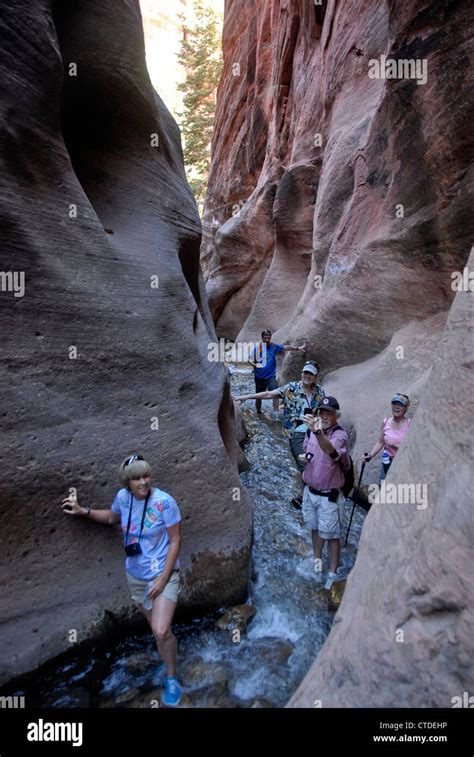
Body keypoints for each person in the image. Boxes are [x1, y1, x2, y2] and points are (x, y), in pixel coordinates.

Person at [61, 454, 183, 707]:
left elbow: (175, 541)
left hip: (163, 574)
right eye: (137, 478)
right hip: (136, 575)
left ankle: (172, 677)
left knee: (161, 629)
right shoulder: (123, 499)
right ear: (127, 482)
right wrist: (84, 511)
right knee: (156, 631)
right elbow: (112, 518)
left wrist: (162, 579)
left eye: (146, 475)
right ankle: (167, 661)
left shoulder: (164, 502)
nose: (143, 481)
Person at [235, 362, 325, 507]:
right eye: (305, 373)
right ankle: (307, 498)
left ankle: (307, 496)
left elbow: (322, 412)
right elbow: (270, 394)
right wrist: (247, 396)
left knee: (313, 462)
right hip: (296, 433)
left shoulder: (320, 392)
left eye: (311, 374)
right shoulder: (291, 388)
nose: (307, 376)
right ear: (302, 373)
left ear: (315, 377)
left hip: (314, 432)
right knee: (303, 464)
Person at [299, 396, 350, 589]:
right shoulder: (311, 432)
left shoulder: (339, 435)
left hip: (329, 496)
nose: (324, 416)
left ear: (336, 415)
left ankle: (333, 572)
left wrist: (318, 432)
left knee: (332, 535)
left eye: (329, 412)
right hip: (310, 491)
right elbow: (309, 451)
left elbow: (332, 453)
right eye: (321, 412)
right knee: (314, 528)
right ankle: (317, 562)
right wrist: (305, 458)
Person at [248, 330, 307, 414]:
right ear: (262, 338)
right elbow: (249, 359)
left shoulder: (273, 346)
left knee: (275, 393)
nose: (267, 339)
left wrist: (297, 348)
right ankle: (258, 412)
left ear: (270, 337)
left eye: (268, 337)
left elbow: (285, 347)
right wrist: (254, 364)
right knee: (258, 396)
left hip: (270, 377)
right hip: (259, 377)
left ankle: (275, 412)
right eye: (265, 337)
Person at [363, 393, 411, 481]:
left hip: (403, 464)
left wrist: (397, 445)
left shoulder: (409, 424)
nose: (396, 407)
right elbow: (380, 442)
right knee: (385, 489)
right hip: (387, 462)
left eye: (400, 405)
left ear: (406, 408)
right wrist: (370, 455)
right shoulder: (386, 422)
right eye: (394, 404)